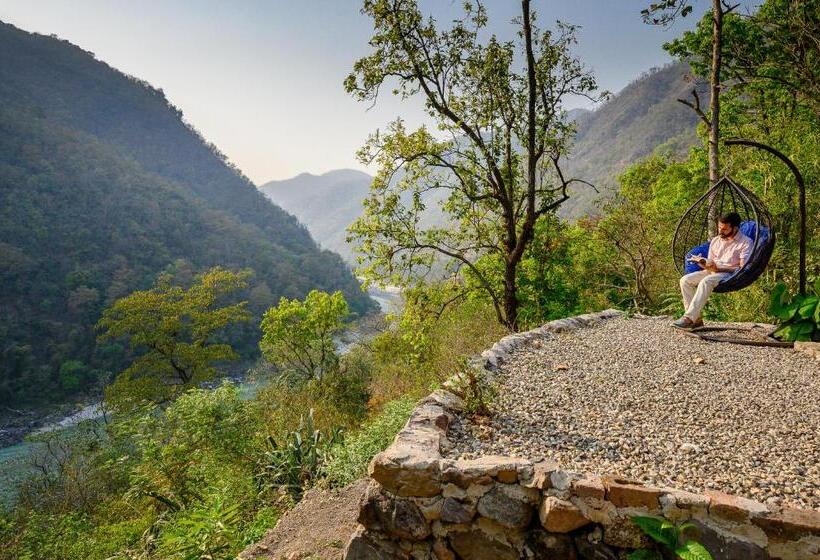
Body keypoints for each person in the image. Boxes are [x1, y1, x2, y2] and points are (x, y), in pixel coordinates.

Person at [672, 212, 753, 329]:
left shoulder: (745, 243)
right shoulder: (716, 240)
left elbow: (742, 268)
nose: (720, 231)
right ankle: (697, 319)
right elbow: (711, 261)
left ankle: (689, 318)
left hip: (729, 274)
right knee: (685, 280)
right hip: (712, 271)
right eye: (719, 227)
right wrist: (703, 263)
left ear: (735, 228)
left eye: (724, 229)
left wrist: (718, 268)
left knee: (706, 281)